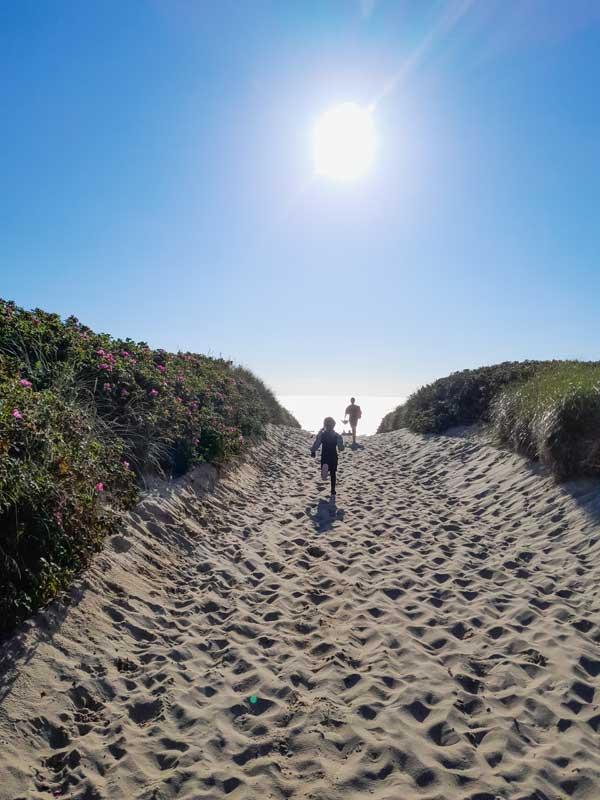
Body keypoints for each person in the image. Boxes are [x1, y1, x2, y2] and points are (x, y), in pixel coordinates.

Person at [310, 416, 344, 498]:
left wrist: (313, 451)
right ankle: (333, 490)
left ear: (325, 425)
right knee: (333, 473)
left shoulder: (322, 435)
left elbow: (317, 444)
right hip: (333, 456)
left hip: (325, 455)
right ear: (334, 425)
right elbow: (340, 448)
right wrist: (341, 444)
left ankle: (324, 470)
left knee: (325, 465)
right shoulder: (337, 436)